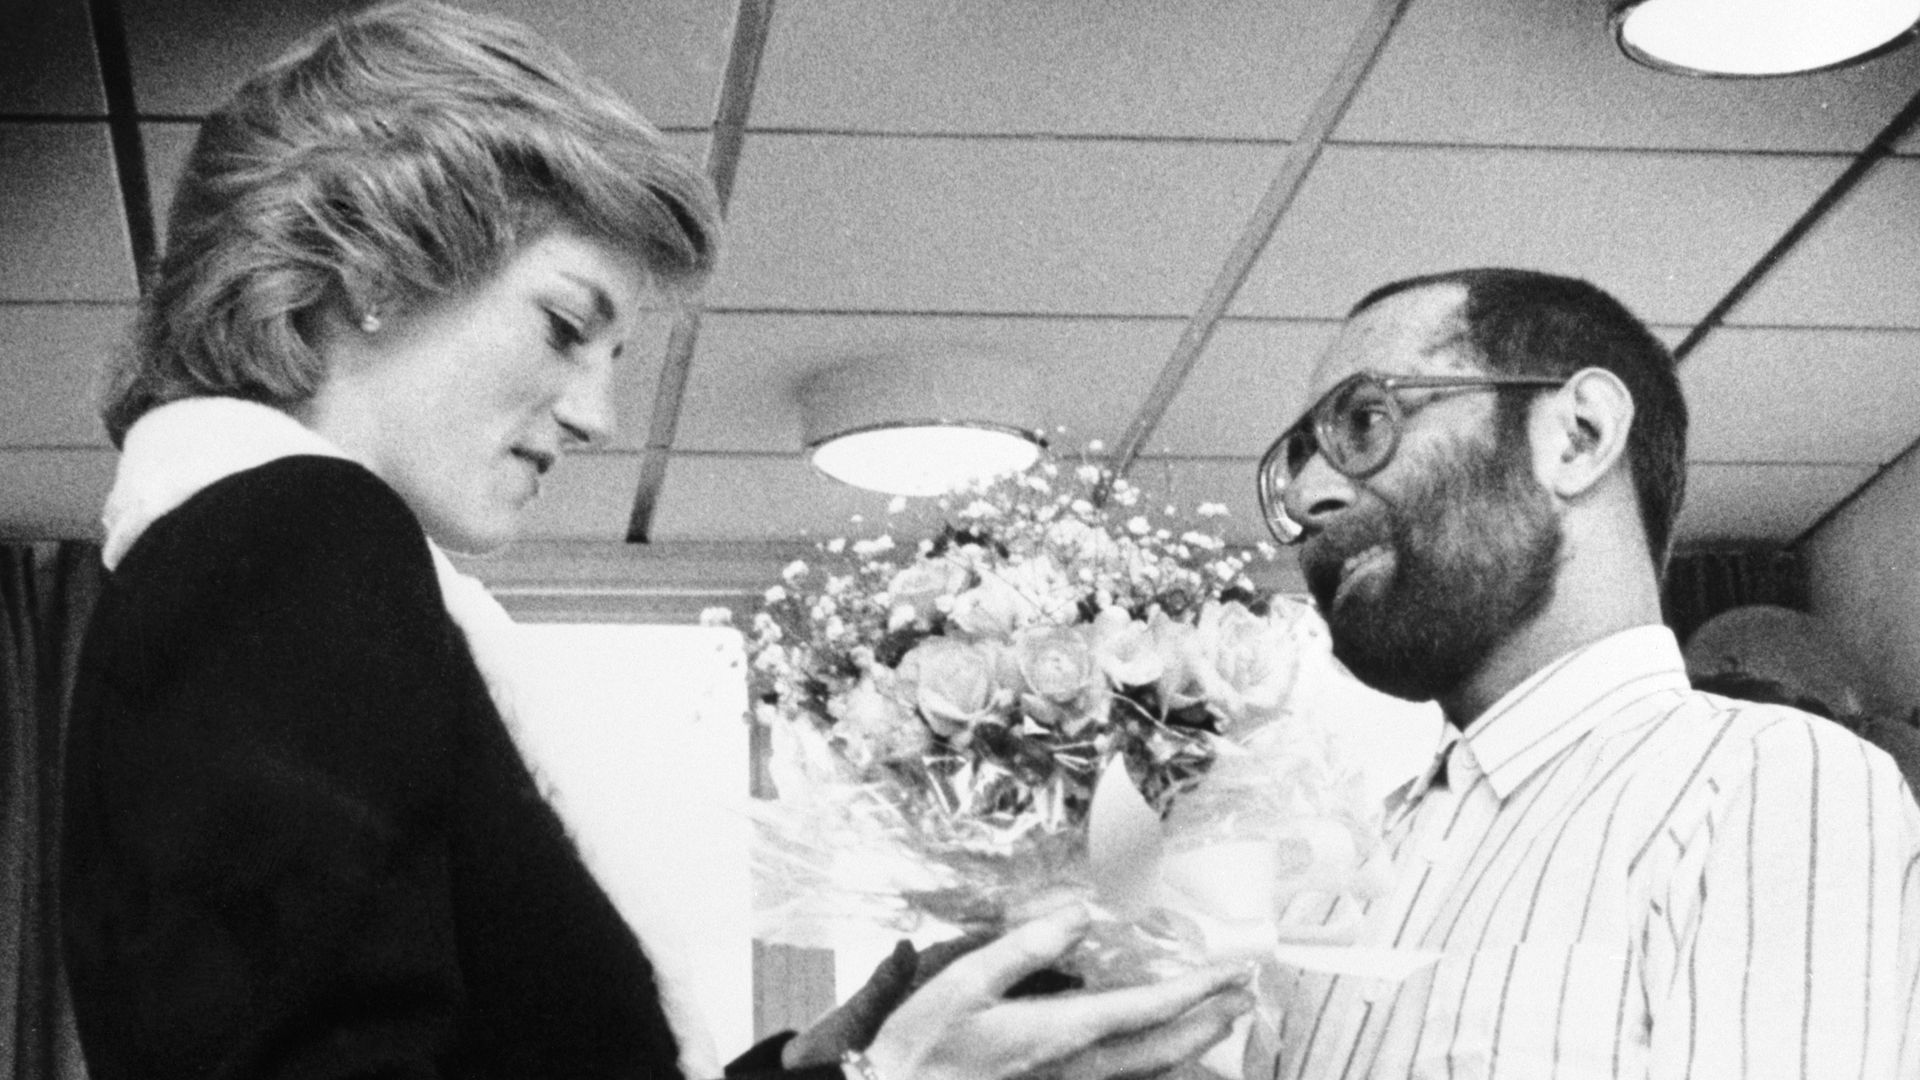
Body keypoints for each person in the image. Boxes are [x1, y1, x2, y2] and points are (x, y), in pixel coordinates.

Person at [55, 5, 1254, 1080]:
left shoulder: (257, 563)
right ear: (369, 262)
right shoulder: (296, 539)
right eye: (568, 324)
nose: (595, 414)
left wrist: (825, 1068)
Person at [1243, 268, 1920, 1078]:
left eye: (1363, 421)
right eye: (1296, 465)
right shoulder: (1337, 875)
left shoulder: (1772, 780)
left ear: (1580, 435)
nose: (1311, 499)